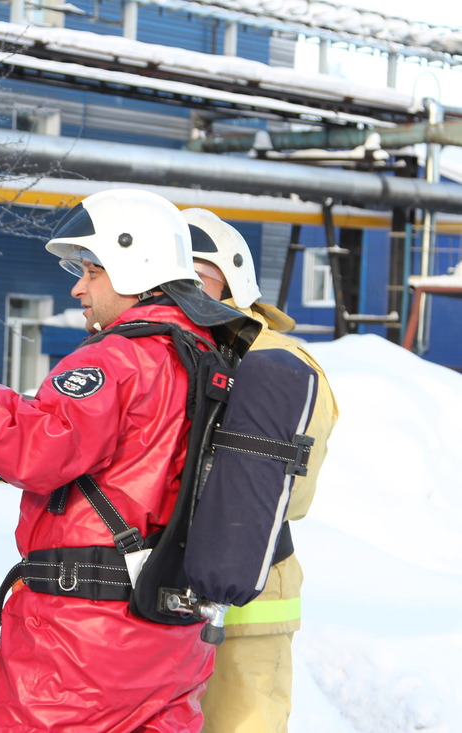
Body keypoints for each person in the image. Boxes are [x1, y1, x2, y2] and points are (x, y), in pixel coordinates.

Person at [0, 189, 251, 732]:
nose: (77, 287)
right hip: (170, 636)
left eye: (92, 270)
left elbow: (37, 451)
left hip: (85, 646)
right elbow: (94, 446)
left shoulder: (119, 356)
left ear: (136, 266)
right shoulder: (201, 353)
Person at [184, 207, 338, 733]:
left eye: (195, 275)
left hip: (248, 589)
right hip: (161, 586)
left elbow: (290, 492)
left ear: (232, 281)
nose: (178, 289)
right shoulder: (161, 346)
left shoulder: (280, 364)